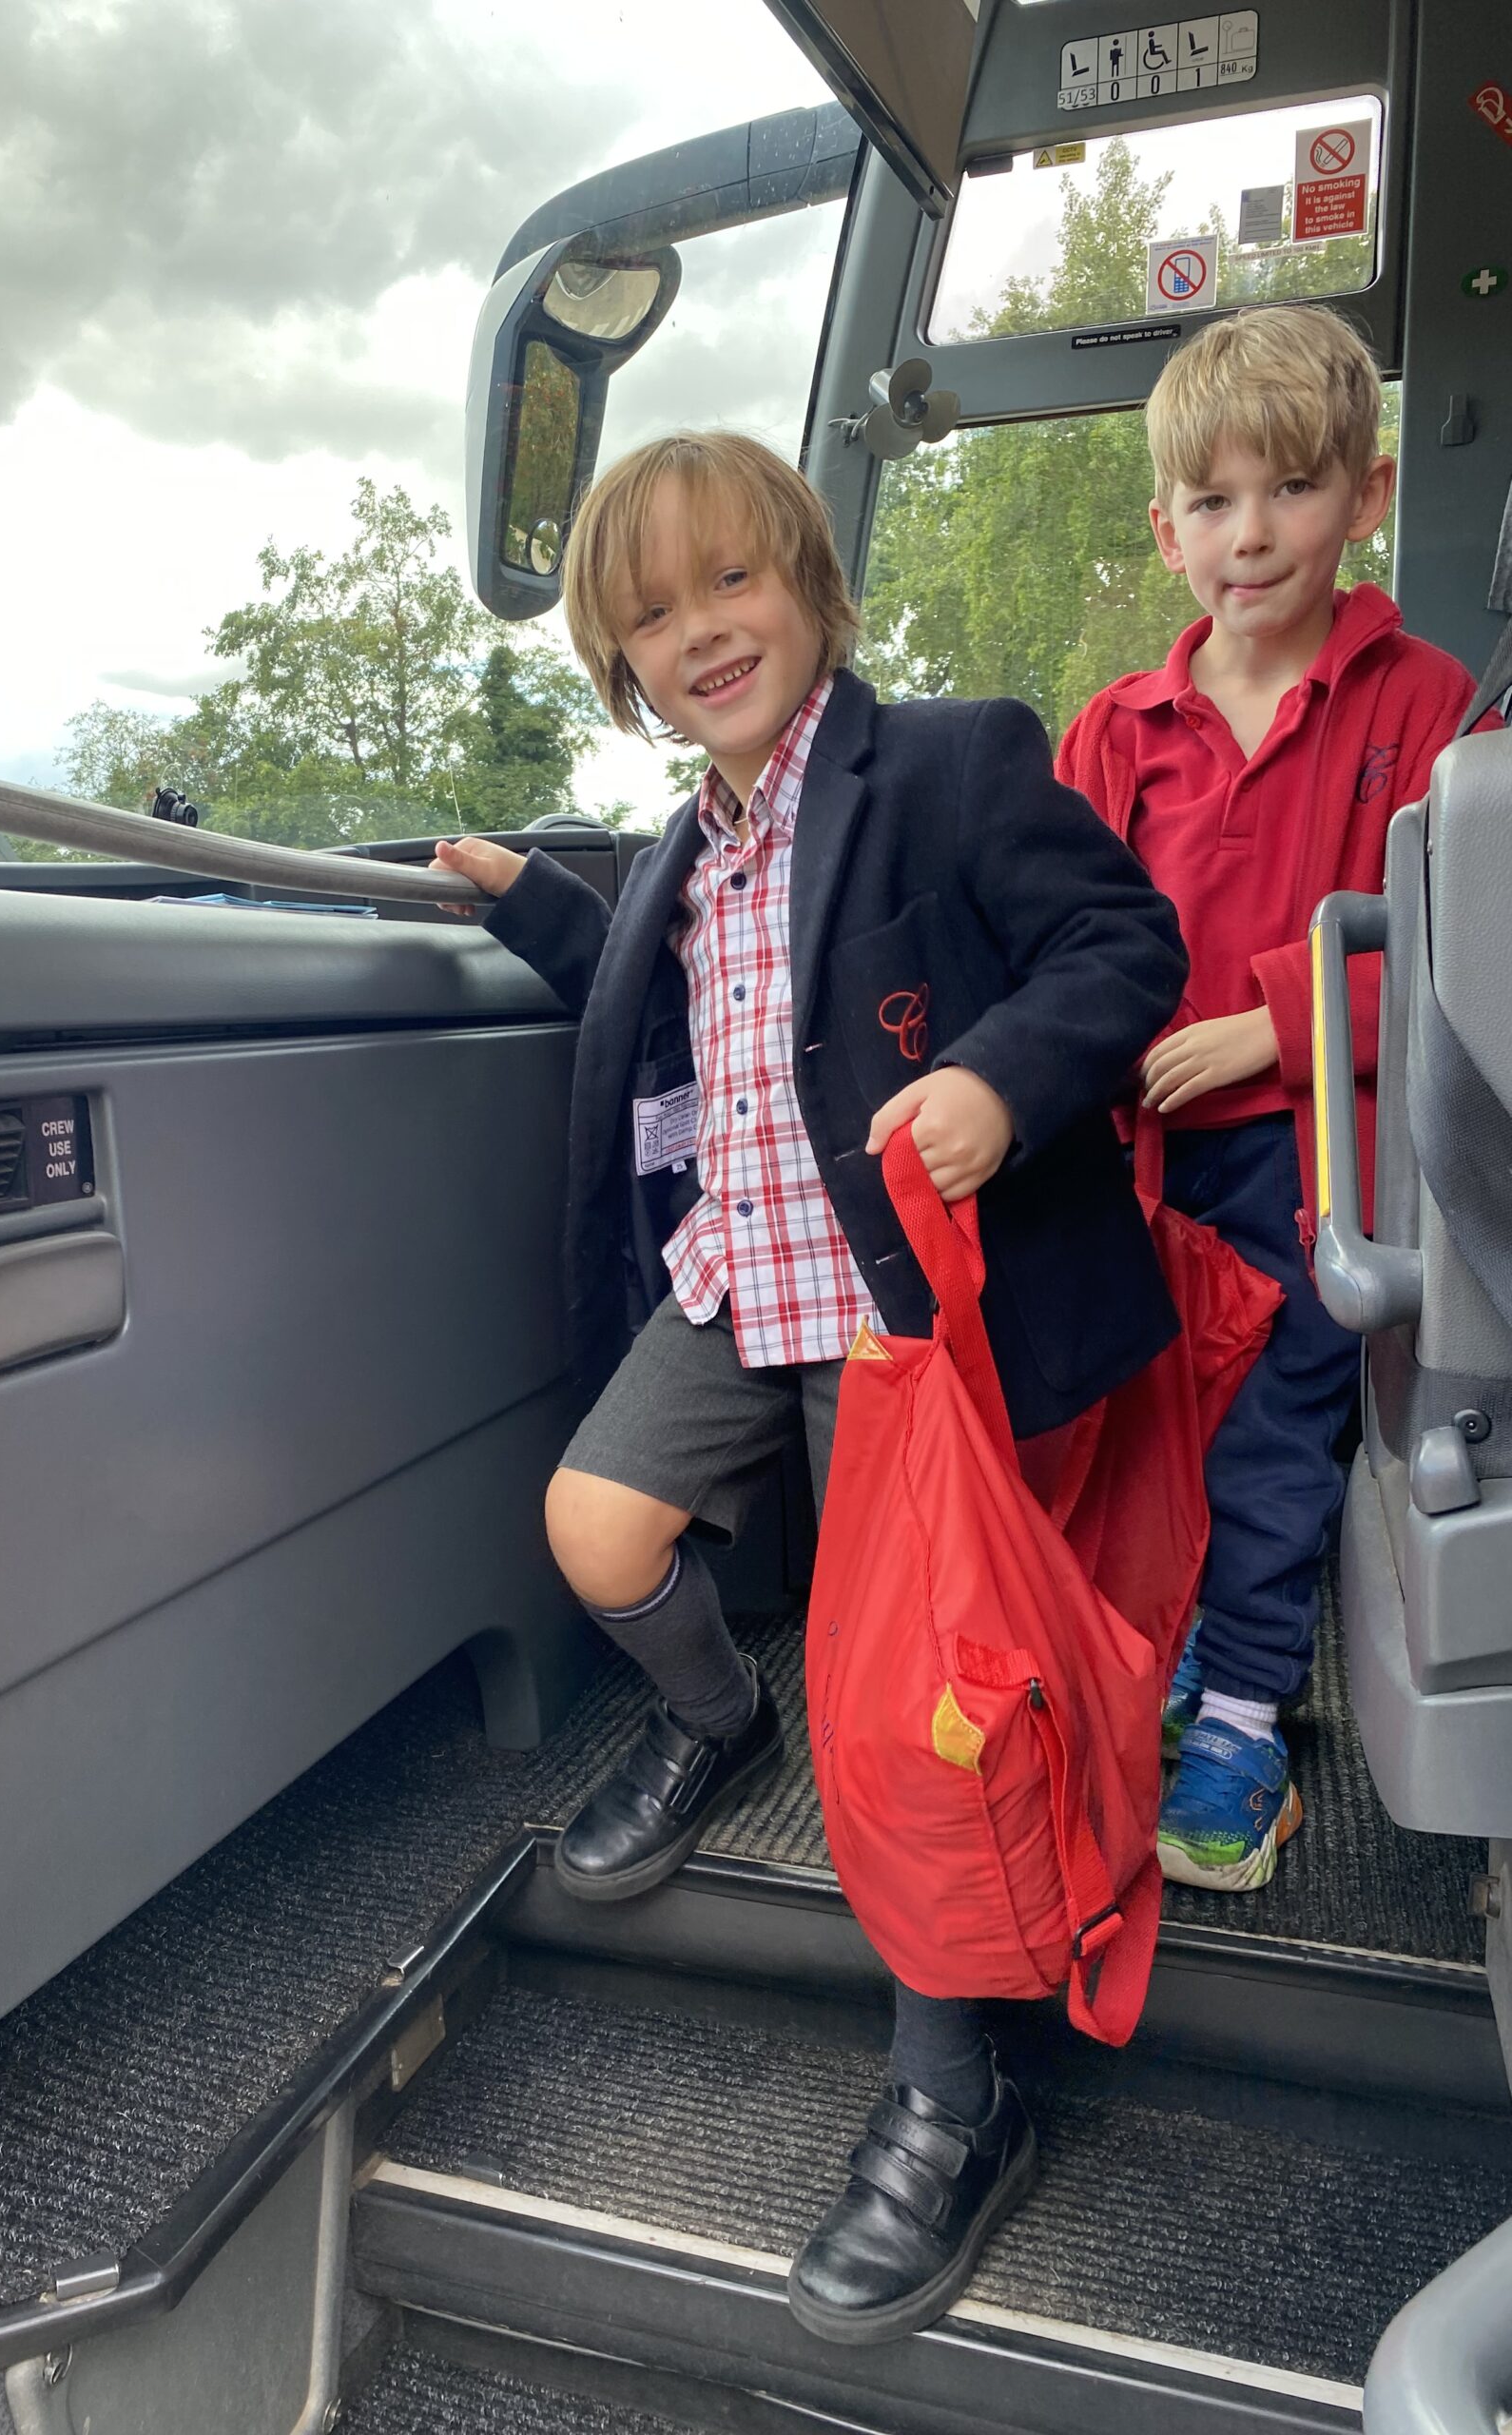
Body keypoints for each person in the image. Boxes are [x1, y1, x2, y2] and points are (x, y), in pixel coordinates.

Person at [433, 430, 1186, 2342]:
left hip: (898, 1311)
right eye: (653, 614)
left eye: (730, 585)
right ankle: (715, 1715)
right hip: (737, 1279)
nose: (701, 632)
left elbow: (1124, 942)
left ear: (809, 584)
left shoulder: (945, 762)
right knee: (595, 1522)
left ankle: (959, 2085)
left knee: (918, 1702)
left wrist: (1003, 1082)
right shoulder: (692, 846)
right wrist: (532, 902)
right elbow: (666, 996)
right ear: (620, 661)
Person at [1058, 305, 1481, 1894]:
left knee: (1273, 1438)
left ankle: (1243, 1718)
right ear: (1167, 529)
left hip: (1328, 1163)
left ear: (1363, 498)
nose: (1253, 538)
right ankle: (1172, 1664)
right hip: (1138, 1164)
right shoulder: (1115, 731)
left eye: (1291, 493)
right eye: (1214, 505)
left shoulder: (1422, 706)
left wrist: (1262, 1027)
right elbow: (1062, 947)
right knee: (1145, 1424)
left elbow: (1459, 962)